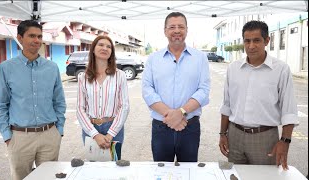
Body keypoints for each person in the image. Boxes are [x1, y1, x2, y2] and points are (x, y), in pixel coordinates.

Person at [219, 20, 299, 170]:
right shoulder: (233, 68)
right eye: (247, 41)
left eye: (256, 40)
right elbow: (227, 105)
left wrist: (285, 141)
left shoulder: (281, 70)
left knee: (265, 177)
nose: (251, 46)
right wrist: (223, 134)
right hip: (234, 135)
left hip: (265, 138)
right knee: (235, 175)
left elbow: (289, 110)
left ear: (267, 40)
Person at [0, 20, 66, 180]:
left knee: (49, 178)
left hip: (49, 135)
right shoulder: (6, 68)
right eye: (32, 36)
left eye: (39, 36)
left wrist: (58, 130)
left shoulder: (52, 68)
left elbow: (59, 102)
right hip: (19, 137)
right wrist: (7, 135)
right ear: (20, 38)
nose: (37, 40)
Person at [142, 12, 210, 162]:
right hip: (161, 127)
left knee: (188, 172)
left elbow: (204, 90)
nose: (177, 30)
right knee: (161, 171)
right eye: (172, 27)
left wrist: (181, 112)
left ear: (187, 30)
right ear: (165, 31)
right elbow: (147, 90)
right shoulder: (154, 59)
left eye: (181, 26)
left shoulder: (200, 58)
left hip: (189, 127)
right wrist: (171, 116)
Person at [76, 35, 130, 160]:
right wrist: (95, 134)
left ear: (111, 52)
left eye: (108, 46)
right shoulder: (83, 77)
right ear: (93, 49)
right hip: (90, 128)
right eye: (100, 45)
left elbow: (124, 106)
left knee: (114, 167)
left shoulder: (120, 75)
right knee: (94, 168)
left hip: (114, 127)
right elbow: (80, 108)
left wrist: (111, 134)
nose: (105, 48)